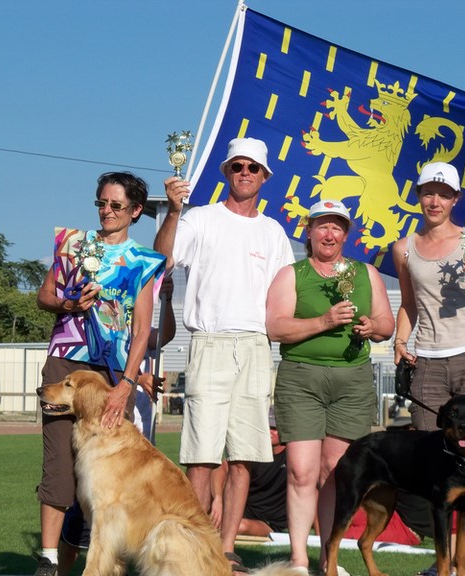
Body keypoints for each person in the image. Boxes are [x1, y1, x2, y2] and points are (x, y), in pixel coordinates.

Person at [154, 137, 295, 574]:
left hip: (256, 346)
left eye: (253, 167)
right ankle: (199, 547)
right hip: (210, 343)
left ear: (265, 176)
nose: (245, 173)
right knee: (201, 455)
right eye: (237, 166)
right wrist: (174, 210)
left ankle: (227, 547)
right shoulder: (200, 218)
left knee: (244, 457)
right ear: (226, 171)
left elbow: (287, 295)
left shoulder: (273, 232)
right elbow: (162, 259)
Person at [33, 172, 165, 576]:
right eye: (101, 204)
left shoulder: (144, 261)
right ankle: (49, 561)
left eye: (116, 206)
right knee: (58, 464)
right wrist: (68, 304)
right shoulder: (74, 244)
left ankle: (107, 561)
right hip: (66, 363)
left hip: (111, 375)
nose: (106, 212)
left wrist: (127, 383)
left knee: (112, 471)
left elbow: (143, 330)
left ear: (136, 211)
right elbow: (44, 296)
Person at [265, 199, 394, 572]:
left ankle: (329, 558)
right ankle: (299, 560)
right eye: (322, 225)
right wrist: (324, 320)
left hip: (352, 381)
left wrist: (373, 327)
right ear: (309, 231)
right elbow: (276, 327)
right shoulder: (292, 274)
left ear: (346, 235)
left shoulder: (365, 273)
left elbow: (385, 324)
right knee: (301, 472)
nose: (329, 233)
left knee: (335, 473)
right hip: (301, 377)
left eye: (337, 227)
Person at [56, 277, 176, 576]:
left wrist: (169, 301)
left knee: (113, 513)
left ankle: (109, 566)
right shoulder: (97, 341)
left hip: (131, 435)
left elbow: (163, 336)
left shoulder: (134, 333)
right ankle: (62, 568)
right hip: (104, 436)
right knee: (84, 513)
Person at [392, 161, 465, 431]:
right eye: (428, 193)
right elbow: (409, 305)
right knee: (429, 451)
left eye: (444, 195)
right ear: (418, 195)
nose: (435, 202)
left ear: (456, 199)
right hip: (427, 361)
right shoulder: (402, 249)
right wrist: (399, 341)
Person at [210, 407, 289, 538]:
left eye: (274, 428)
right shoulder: (254, 451)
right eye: (266, 426)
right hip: (242, 512)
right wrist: (217, 498)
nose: (269, 431)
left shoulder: (294, 457)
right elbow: (220, 468)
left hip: (269, 523)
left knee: (239, 526)